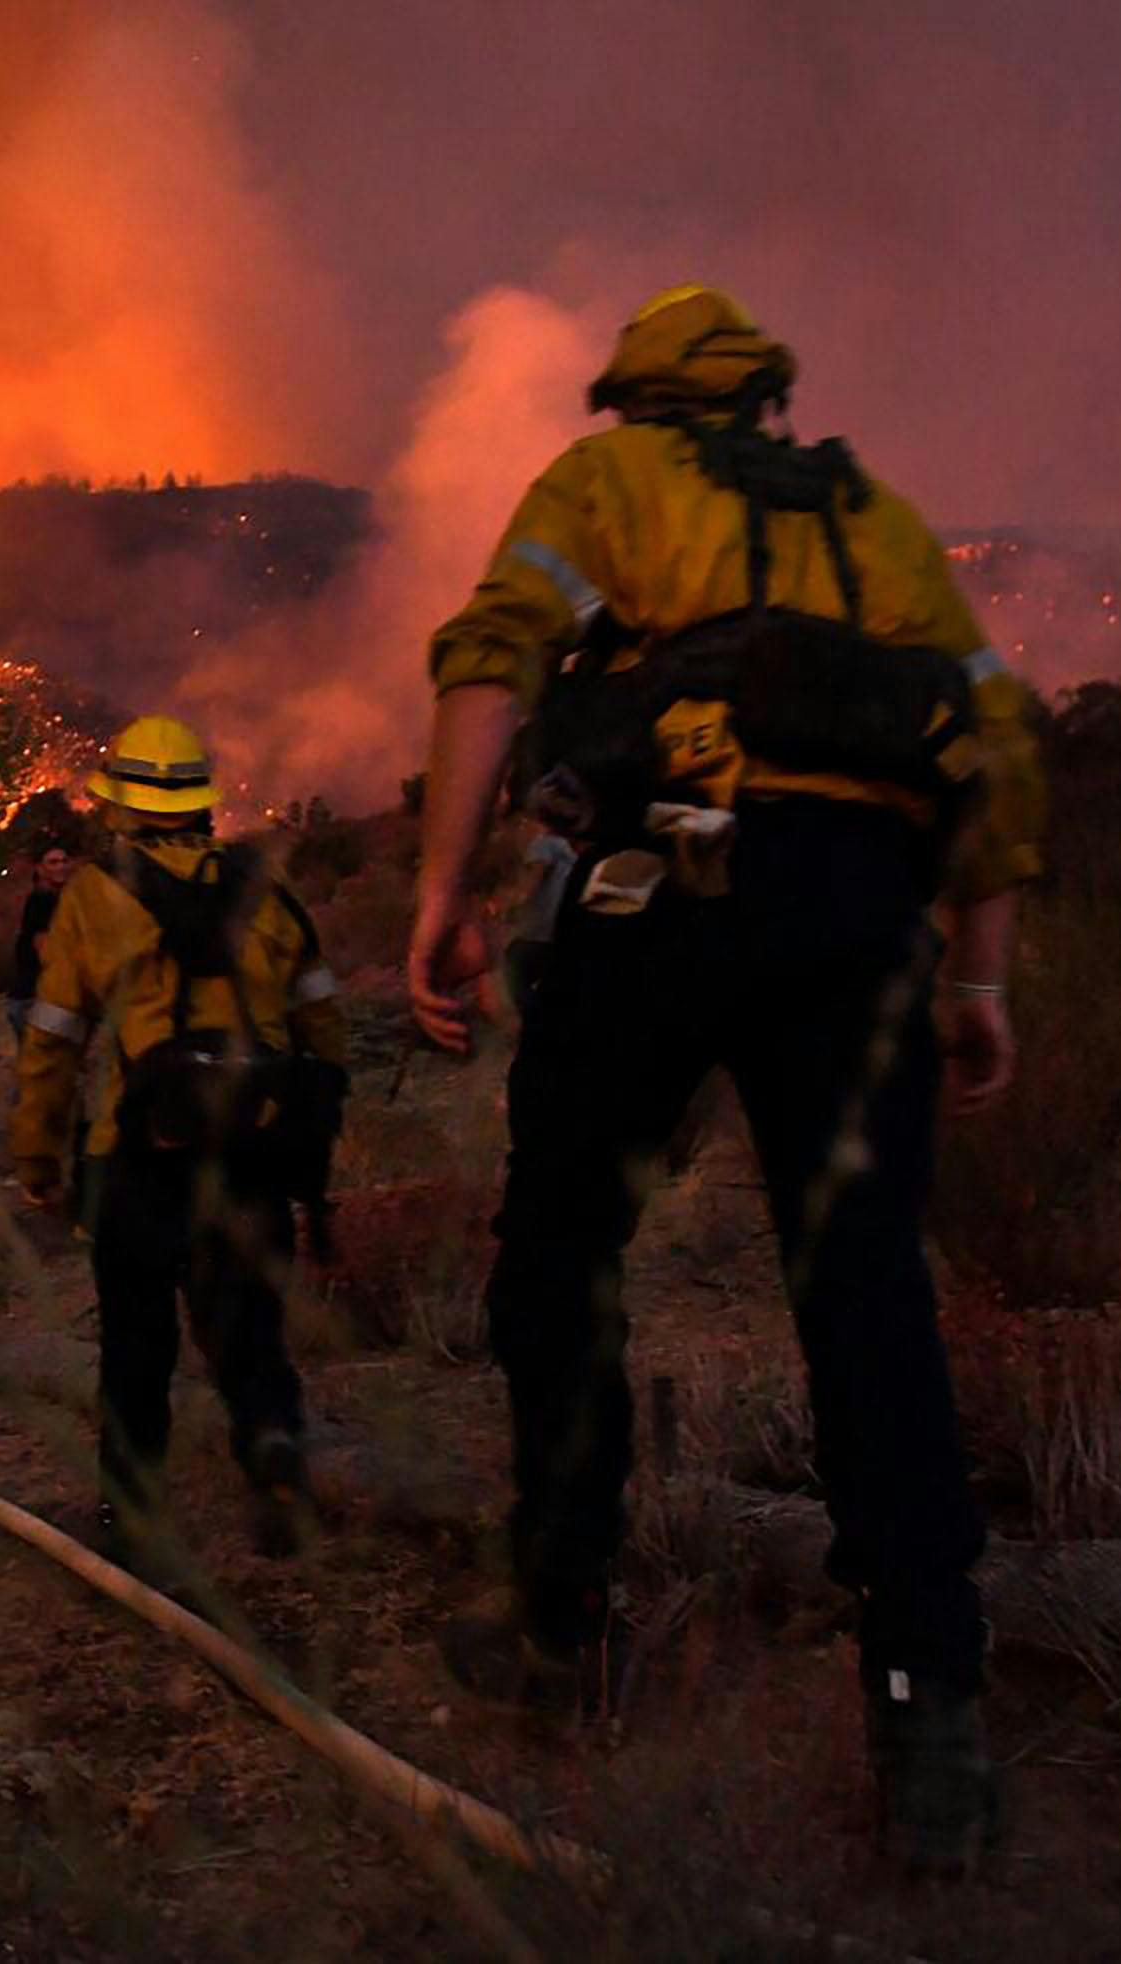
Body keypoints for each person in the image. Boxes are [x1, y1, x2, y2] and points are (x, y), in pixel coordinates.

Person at [404, 286, 1046, 1873]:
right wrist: (977, 974)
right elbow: (1001, 743)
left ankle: (566, 1636)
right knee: (869, 1300)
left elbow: (492, 659)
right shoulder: (878, 521)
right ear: (767, 401)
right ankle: (932, 1734)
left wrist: (442, 893)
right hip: (861, 927)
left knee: (560, 1256)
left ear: (637, 399)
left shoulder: (604, 486)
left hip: (659, 905)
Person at [12, 716, 349, 1567]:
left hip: (140, 1159)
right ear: (201, 799)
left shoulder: (93, 898)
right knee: (249, 1332)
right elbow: (324, 1028)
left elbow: (53, 1044)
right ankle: (276, 1465)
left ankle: (134, 1519)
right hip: (253, 1150)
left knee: (136, 1341)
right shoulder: (264, 891)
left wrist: (39, 1162)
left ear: (119, 804)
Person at [4, 843, 77, 1037]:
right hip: (34, 1000)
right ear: (40, 869)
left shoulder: (62, 899)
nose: (60, 866)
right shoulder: (41, 901)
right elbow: (45, 950)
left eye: (63, 861)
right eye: (53, 862)